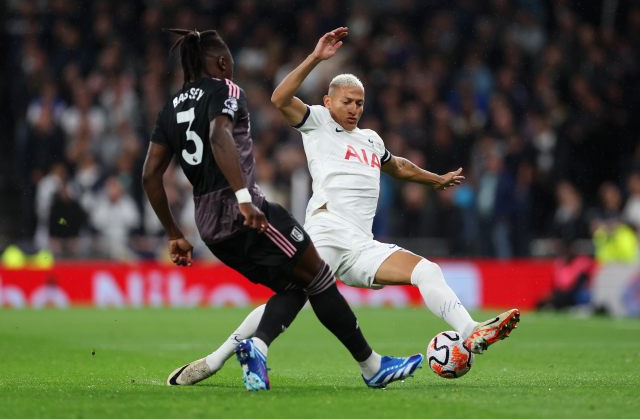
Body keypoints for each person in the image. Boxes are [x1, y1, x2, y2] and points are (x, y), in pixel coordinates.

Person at [200, 27, 520, 383]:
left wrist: (437, 179)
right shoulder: (317, 123)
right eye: (347, 101)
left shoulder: (370, 139)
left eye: (359, 103)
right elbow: (279, 98)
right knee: (291, 300)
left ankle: (472, 329)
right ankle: (215, 360)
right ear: (329, 101)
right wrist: (315, 58)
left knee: (426, 271)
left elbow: (397, 165)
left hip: (360, 244)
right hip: (325, 232)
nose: (354, 109)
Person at [142, 28, 423, 391]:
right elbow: (218, 136)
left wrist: (174, 234)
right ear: (223, 62)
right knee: (319, 276)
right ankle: (369, 367)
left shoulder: (171, 107)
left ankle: (254, 349)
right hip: (246, 211)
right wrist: (244, 199)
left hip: (207, 225)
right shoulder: (225, 90)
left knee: (298, 285)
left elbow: (150, 176)